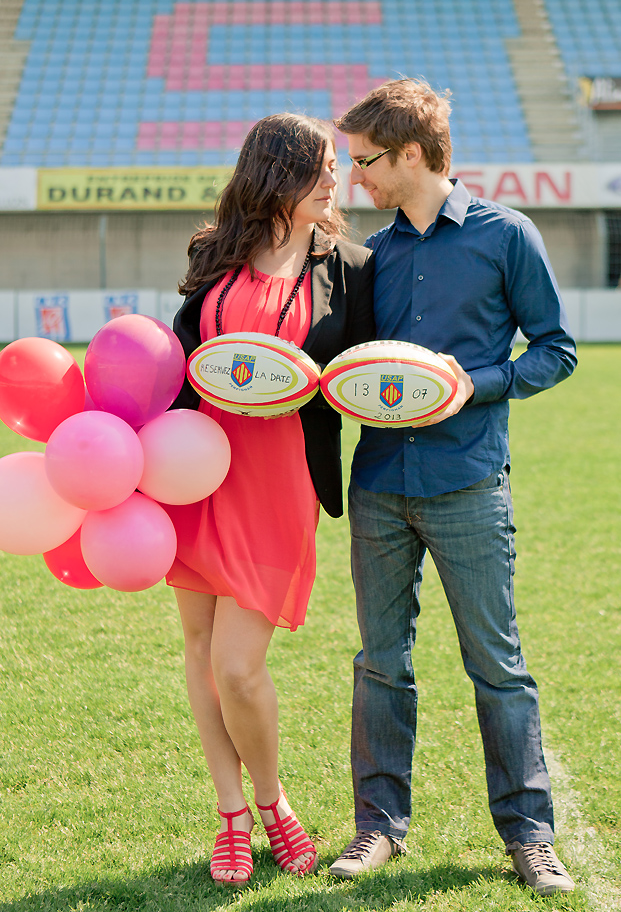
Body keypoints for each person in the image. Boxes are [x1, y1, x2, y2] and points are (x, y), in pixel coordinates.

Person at [328, 79, 578, 898]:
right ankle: (376, 829)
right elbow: (351, 367)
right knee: (380, 665)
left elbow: (555, 348)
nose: (354, 176)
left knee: (496, 667)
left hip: (469, 482)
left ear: (409, 154)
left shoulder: (507, 237)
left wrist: (476, 385)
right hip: (377, 485)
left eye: (365, 161)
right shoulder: (373, 254)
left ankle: (529, 836)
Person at [166, 113, 374, 886]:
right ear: (277, 172)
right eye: (321, 166)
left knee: (238, 667)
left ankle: (272, 801)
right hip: (197, 472)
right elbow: (181, 362)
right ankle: (229, 813)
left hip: (280, 478)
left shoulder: (350, 265)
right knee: (199, 652)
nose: (335, 178)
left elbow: (362, 375)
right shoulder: (210, 252)